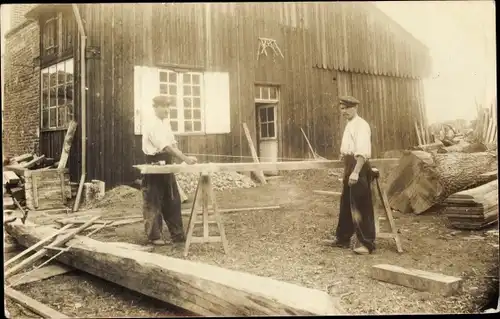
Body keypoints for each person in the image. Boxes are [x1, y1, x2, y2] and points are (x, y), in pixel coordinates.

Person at [141, 95, 197, 246]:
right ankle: (154, 237)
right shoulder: (151, 124)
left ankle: (177, 235)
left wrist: (185, 157)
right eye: (163, 107)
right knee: (153, 201)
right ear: (155, 108)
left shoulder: (165, 124)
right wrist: (185, 159)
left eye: (168, 107)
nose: (167, 110)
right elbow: (165, 147)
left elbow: (172, 144)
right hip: (153, 166)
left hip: (167, 165)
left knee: (173, 201)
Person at [323, 95, 376, 255]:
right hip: (349, 165)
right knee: (346, 203)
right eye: (342, 109)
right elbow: (350, 146)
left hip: (358, 167)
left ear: (355, 107)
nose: (343, 111)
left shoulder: (361, 125)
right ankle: (343, 239)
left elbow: (362, 151)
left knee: (361, 205)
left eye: (346, 108)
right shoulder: (350, 124)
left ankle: (367, 243)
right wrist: (344, 155)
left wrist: (355, 172)